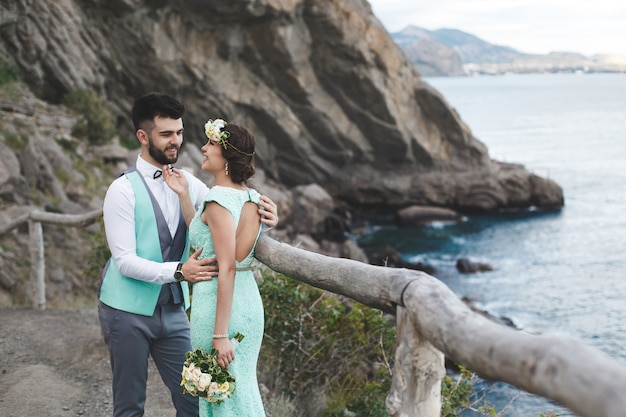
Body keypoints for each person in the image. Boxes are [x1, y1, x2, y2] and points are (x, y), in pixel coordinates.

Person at [98, 93, 278, 417]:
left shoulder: (191, 185)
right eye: (166, 134)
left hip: (174, 313)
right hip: (126, 311)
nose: (176, 141)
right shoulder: (120, 191)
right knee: (129, 405)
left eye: (179, 132)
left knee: (197, 397)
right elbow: (124, 261)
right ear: (143, 136)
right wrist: (180, 272)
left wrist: (266, 219)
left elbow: (228, 216)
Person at [163, 118, 267, 416]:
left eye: (211, 144)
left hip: (221, 309)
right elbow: (206, 238)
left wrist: (220, 335)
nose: (203, 149)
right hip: (244, 303)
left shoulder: (217, 200)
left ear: (226, 157)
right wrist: (184, 194)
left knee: (222, 395)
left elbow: (228, 267)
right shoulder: (250, 197)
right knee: (238, 389)